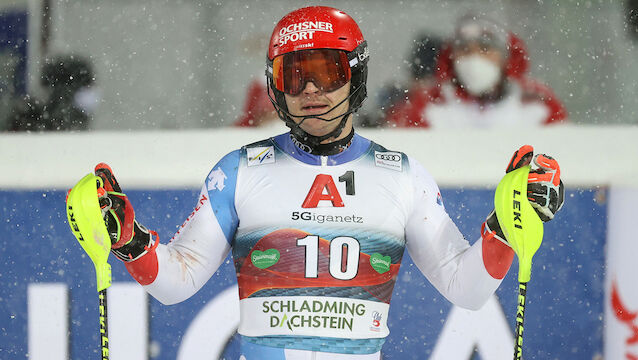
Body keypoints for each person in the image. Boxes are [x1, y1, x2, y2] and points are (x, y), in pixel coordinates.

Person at [90, 7, 564, 359]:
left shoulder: (403, 175)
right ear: (274, 87)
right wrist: (128, 240)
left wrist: (507, 223)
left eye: (325, 71)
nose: (311, 90)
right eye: (293, 75)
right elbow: (176, 283)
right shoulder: (239, 169)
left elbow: (467, 289)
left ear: (354, 76)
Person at [385, 14, 567, 128]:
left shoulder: (539, 102)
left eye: (485, 49)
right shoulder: (427, 103)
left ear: (506, 57)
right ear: (451, 58)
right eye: (464, 50)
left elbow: (567, 158)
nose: (474, 58)